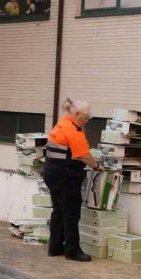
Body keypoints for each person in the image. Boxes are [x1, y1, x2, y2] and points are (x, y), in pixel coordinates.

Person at [43, 97, 102, 262]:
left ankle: (55, 247)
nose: (88, 119)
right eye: (86, 116)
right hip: (65, 176)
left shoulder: (63, 123)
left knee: (59, 212)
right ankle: (72, 251)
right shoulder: (73, 130)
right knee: (71, 214)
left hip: (52, 174)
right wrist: (97, 166)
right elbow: (83, 155)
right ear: (76, 114)